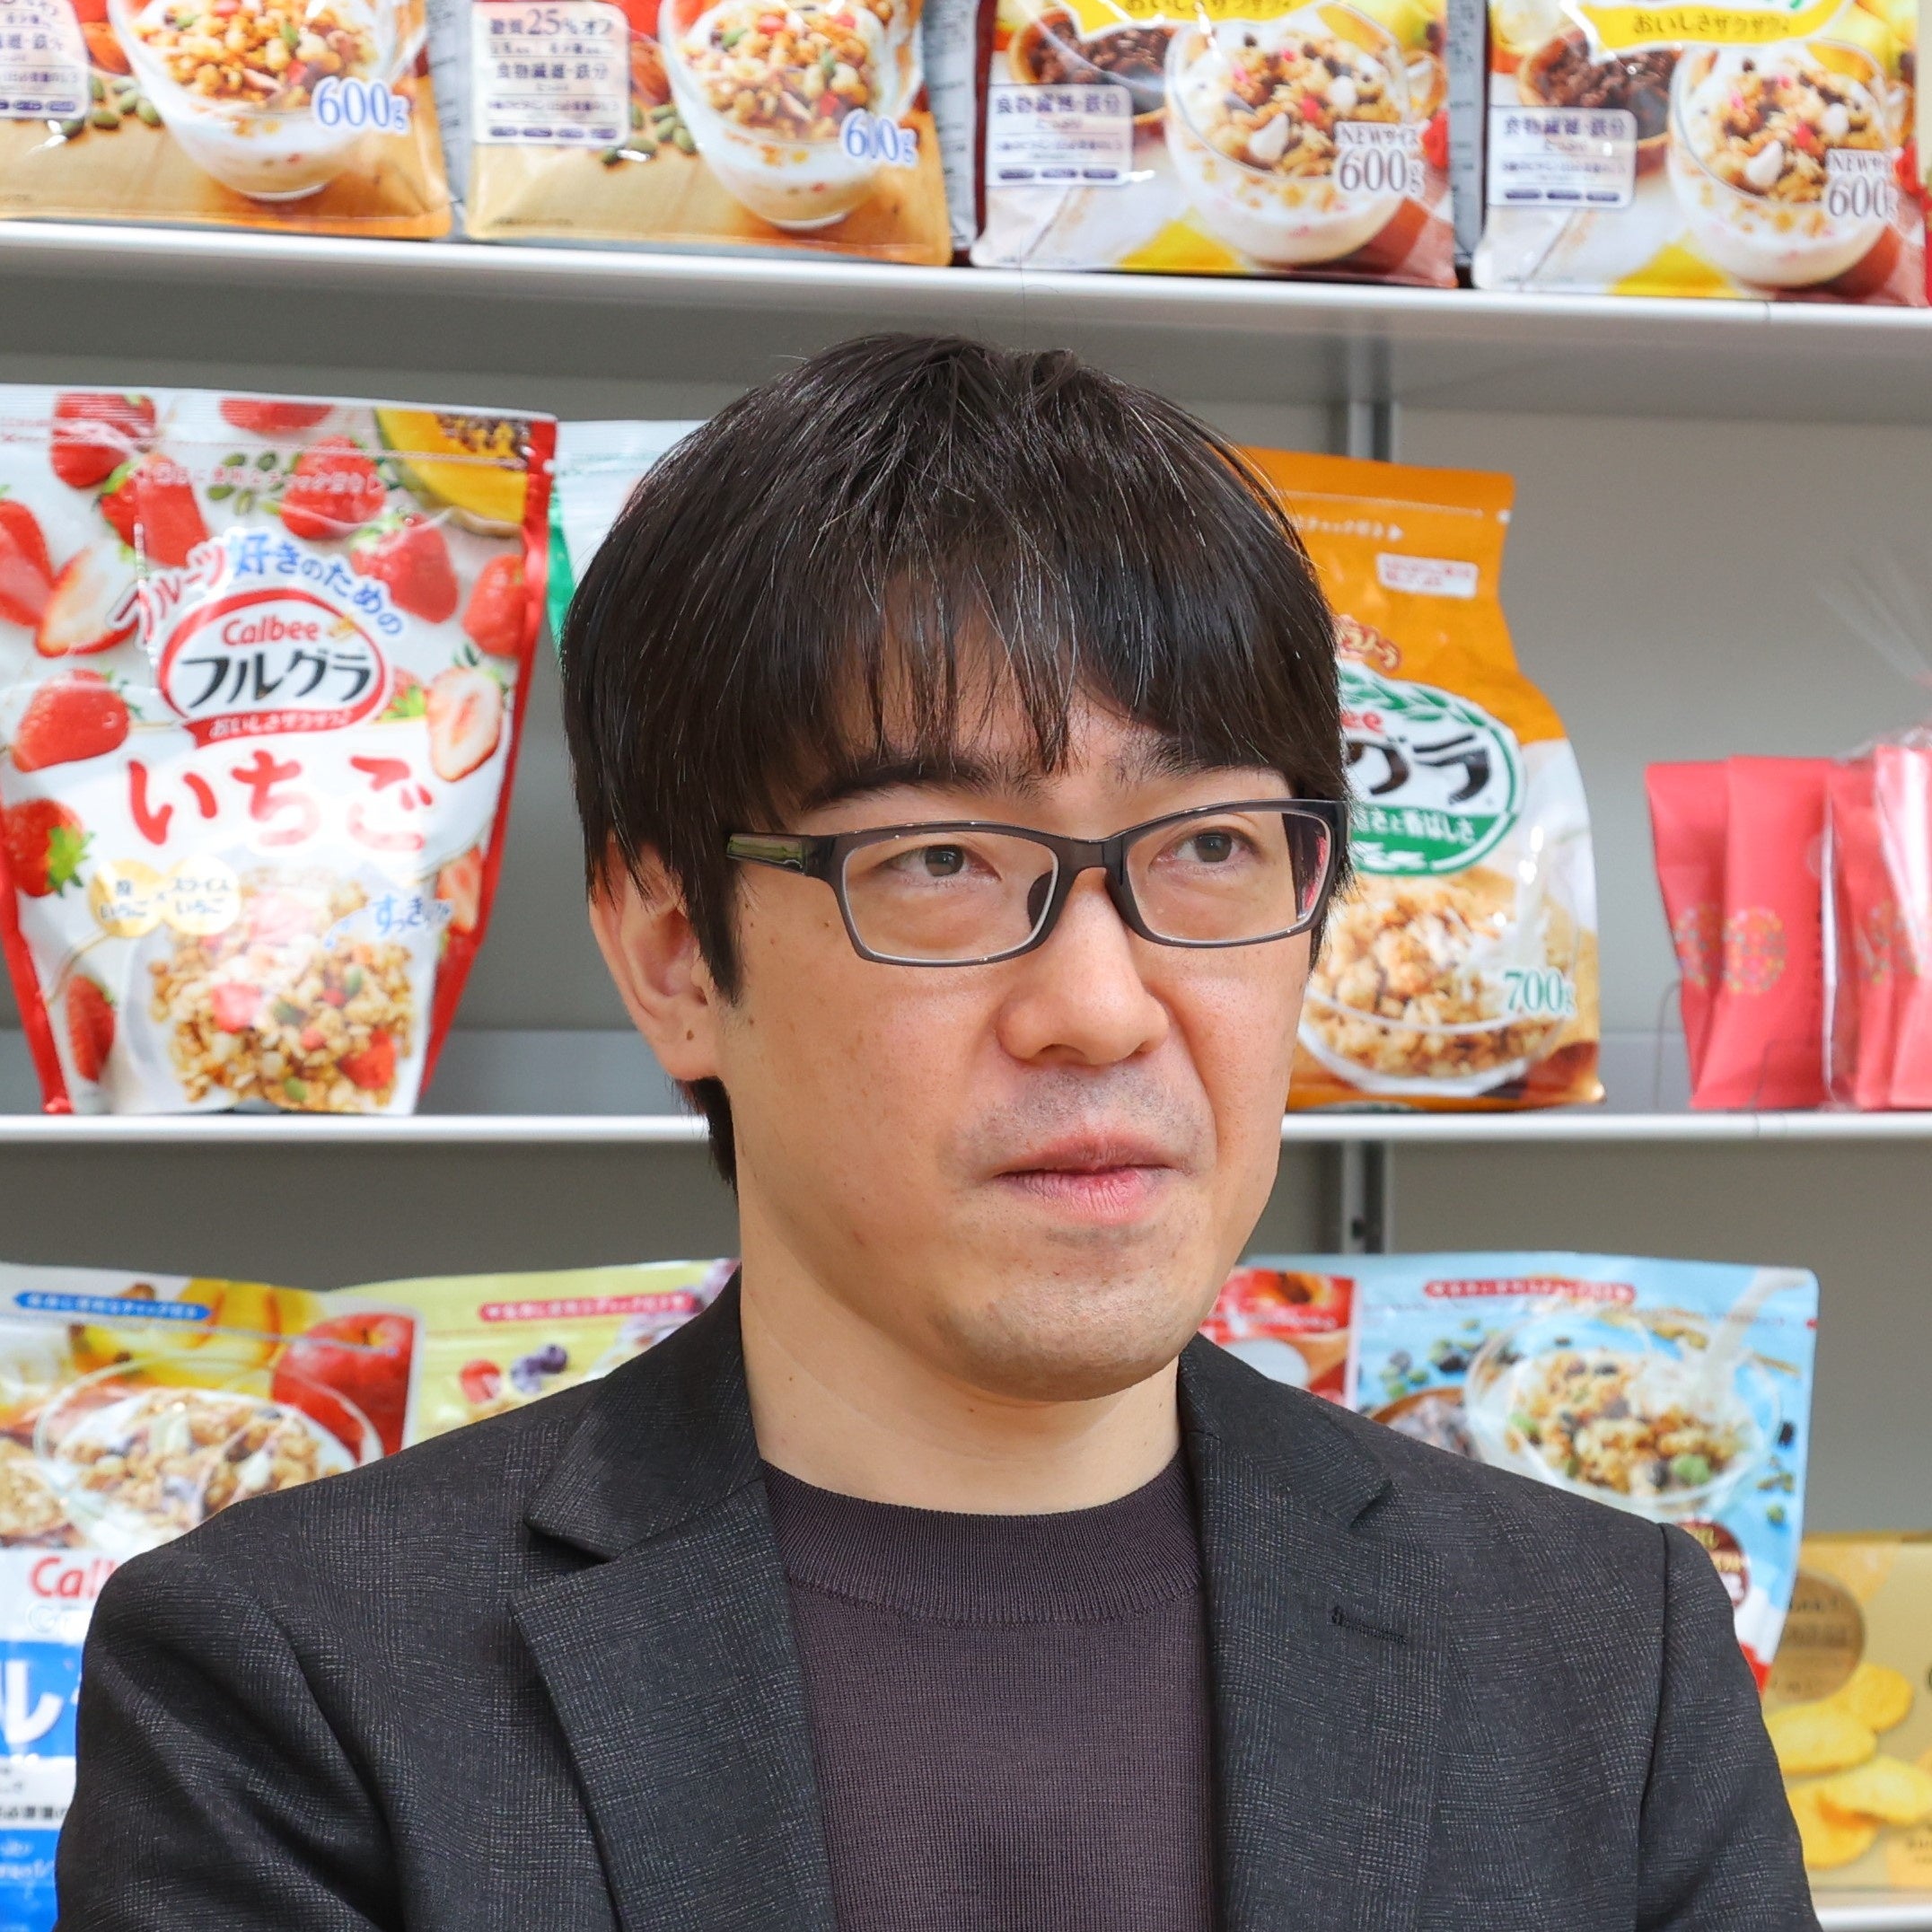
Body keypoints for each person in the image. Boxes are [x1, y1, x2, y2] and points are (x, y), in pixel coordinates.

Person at [59, 335, 1813, 1932]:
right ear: (674, 957)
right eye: (939, 862)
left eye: (1211, 846)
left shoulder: (1608, 1654)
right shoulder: (294, 1680)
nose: (1100, 1007)